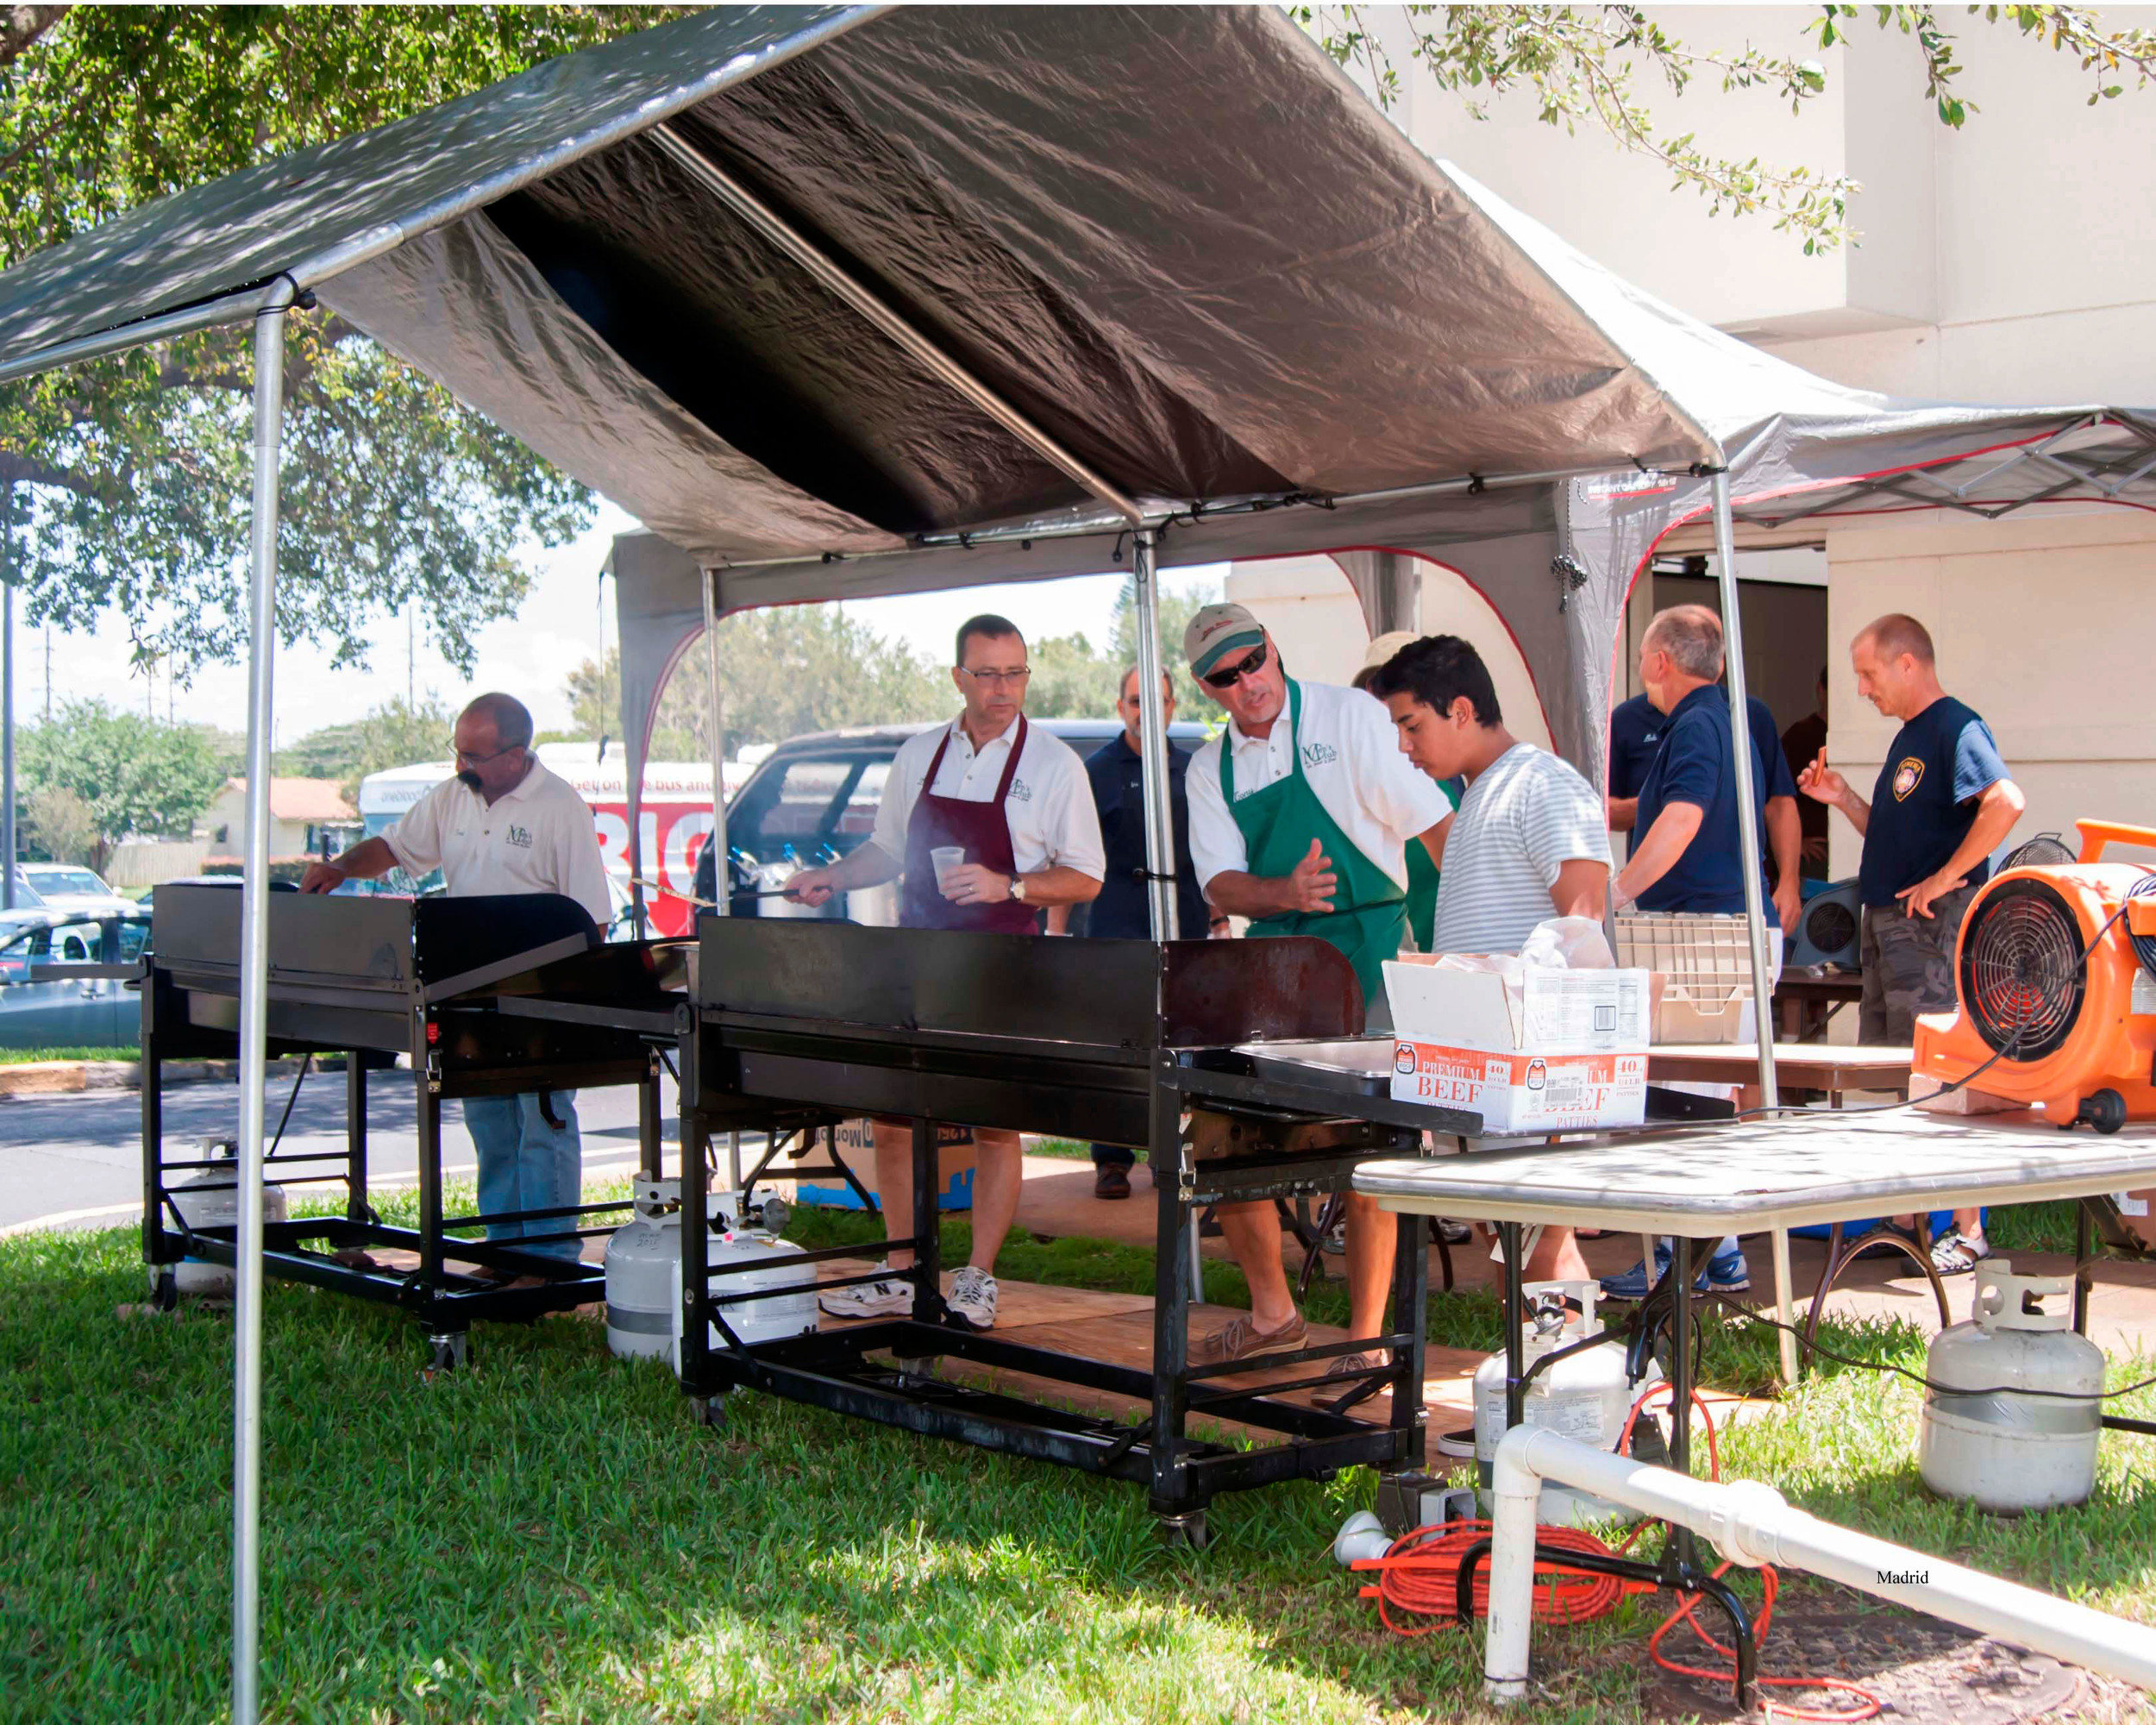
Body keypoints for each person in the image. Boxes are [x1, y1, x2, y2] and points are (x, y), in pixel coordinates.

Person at [780, 615, 1105, 1328]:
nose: (1003, 689)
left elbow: (1086, 877)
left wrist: (1009, 886)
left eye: (1016, 673)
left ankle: (979, 1278)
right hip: (917, 962)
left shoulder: (1054, 766)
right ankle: (901, 1268)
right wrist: (831, 878)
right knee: (894, 1122)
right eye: (987, 674)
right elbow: (888, 851)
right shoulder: (922, 753)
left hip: (1000, 966)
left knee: (995, 1126)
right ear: (958, 676)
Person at [1181, 603, 1453, 1369]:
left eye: (1252, 661)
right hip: (1271, 972)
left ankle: (1367, 1344)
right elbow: (1223, 886)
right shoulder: (1211, 768)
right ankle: (1274, 1315)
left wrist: (1458, 940)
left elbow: (1435, 827)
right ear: (1208, 689)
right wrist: (1285, 893)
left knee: (1371, 1159)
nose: (1247, 683)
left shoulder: (1352, 718)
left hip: (1369, 954)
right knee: (1220, 1142)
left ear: (1272, 648)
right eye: (1225, 677)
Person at [300, 693, 611, 1273]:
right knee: (490, 1122)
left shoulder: (560, 807)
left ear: (517, 755)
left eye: (474, 756)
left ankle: (549, 1263)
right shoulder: (451, 798)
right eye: (458, 752)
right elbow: (394, 848)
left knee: (541, 1121)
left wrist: (571, 997)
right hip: (468, 991)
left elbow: (593, 918)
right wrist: (342, 866)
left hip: (540, 993)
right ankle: (501, 1252)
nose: (460, 766)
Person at [1369, 634, 1612, 1287]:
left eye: (1411, 724)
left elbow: (1584, 923)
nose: (1404, 746)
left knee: (1539, 1248)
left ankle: (1567, 1385)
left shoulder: (1544, 783)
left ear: (1462, 710)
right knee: (1515, 1249)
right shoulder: (1476, 793)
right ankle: (1547, 1383)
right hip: (1483, 1071)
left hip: (1539, 1072)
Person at [1799, 613, 2026, 1275]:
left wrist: (1948, 878)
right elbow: (1900, 843)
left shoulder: (1957, 726)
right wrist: (1843, 799)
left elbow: (2005, 801)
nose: (1863, 689)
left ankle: (1967, 1228)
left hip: (1932, 936)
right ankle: (1907, 1220)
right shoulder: (1908, 741)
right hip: (1887, 933)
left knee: (1943, 1075)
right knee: (1901, 1077)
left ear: (1907, 663)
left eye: (1868, 674)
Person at [1603, 605, 1802, 1300]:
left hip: (1700, 934)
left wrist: (1617, 893)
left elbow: (1681, 818)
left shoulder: (1694, 724)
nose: (1641, 675)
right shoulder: (1727, 717)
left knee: (1676, 1103)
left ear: (1661, 661)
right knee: (1706, 1100)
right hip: (1722, 929)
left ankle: (1676, 1260)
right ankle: (1715, 1257)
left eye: (1641, 662)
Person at [1078, 666, 1224, 1199]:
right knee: (1116, 1045)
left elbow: (1210, 856)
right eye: (1136, 701)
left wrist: (1220, 918)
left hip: (1184, 927)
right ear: (1121, 707)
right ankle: (1111, 1159)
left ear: (1172, 706)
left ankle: (1182, 1153)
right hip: (1116, 926)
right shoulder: (1093, 773)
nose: (1146, 710)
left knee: (1187, 1044)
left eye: (1157, 701)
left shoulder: (1192, 772)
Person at [1608, 683, 1801, 915]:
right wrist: (1660, 801)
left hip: (1733, 902)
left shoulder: (1747, 713)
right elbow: (1605, 812)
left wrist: (1789, 882)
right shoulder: (1626, 719)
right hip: (1654, 904)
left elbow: (1779, 804)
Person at [1353, 630, 1462, 954]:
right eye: (1373, 688)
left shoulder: (1454, 767)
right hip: (1394, 953)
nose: (1381, 701)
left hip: (1452, 952)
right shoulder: (1363, 764)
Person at [1782, 668, 1832, 881]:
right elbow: (1775, 797)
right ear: (1821, 690)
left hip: (1852, 846)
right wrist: (1797, 842)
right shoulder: (1799, 736)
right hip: (1813, 857)